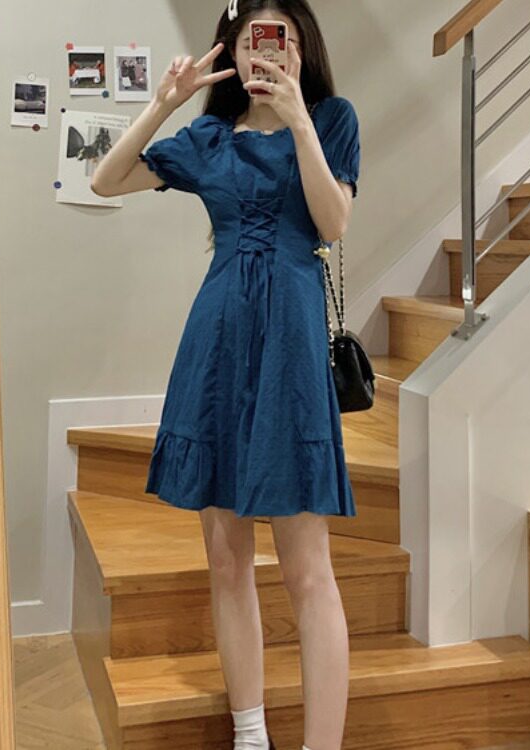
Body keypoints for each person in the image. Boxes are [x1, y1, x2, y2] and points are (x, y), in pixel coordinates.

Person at [91, 2, 360, 748]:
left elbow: (333, 224)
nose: (264, 53)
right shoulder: (209, 138)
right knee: (225, 558)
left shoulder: (332, 120)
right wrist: (163, 103)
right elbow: (106, 180)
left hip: (291, 348)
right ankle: (250, 732)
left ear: (302, 50)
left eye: (281, 40)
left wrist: (298, 119)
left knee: (308, 570)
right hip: (216, 344)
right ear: (231, 54)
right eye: (250, 42)